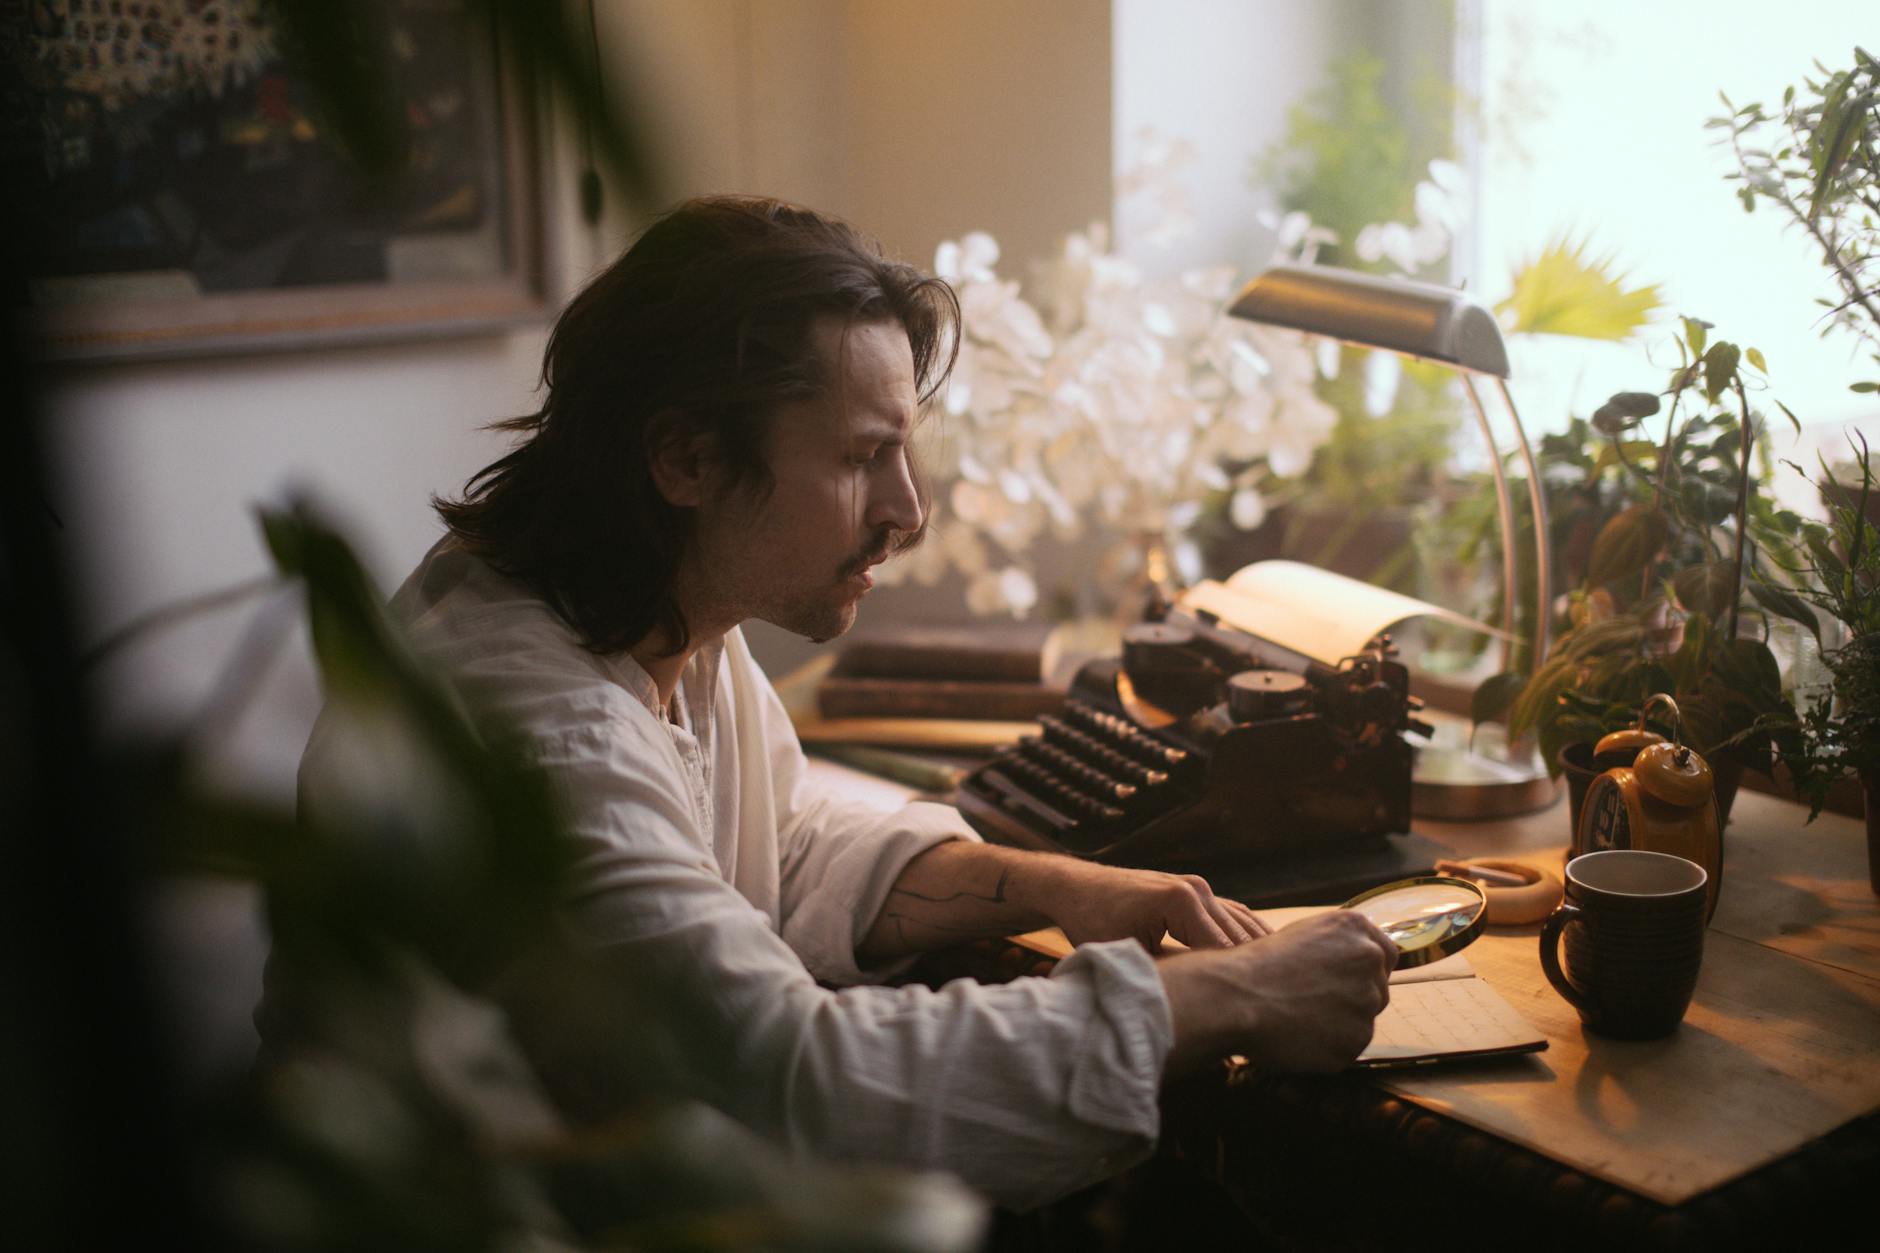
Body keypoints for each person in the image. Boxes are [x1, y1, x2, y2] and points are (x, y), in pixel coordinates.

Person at [292, 196, 1398, 1210]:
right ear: (685, 456)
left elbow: (786, 843)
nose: (907, 510)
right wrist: (1234, 994)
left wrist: (1064, 884)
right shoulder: (536, 731)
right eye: (866, 456)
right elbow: (794, 1083)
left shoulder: (645, 610)